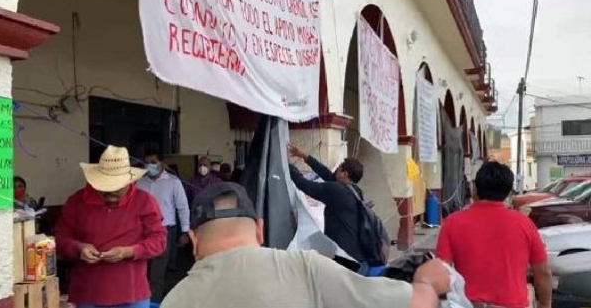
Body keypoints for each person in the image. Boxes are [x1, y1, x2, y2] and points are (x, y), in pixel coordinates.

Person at [161, 182, 450, 308]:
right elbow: (415, 304)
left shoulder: (175, 300)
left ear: (194, 239)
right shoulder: (302, 268)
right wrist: (426, 280)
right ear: (260, 229)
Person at [54, 145, 166, 308]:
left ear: (129, 181)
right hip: (87, 292)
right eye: (105, 186)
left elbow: (159, 241)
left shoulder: (145, 201)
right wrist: (79, 247)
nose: (111, 191)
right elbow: (59, 239)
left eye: (117, 186)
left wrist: (129, 251)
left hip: (132, 292)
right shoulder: (77, 201)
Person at [436, 161, 552, 308]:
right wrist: (545, 305)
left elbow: (441, 272)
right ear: (508, 192)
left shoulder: (452, 223)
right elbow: (543, 273)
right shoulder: (524, 224)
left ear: (475, 189)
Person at [287, 144, 387, 271]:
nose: (335, 172)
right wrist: (305, 157)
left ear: (344, 174)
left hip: (344, 259)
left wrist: (287, 164)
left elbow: (304, 185)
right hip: (357, 258)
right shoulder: (355, 191)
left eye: (338, 169)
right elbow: (328, 174)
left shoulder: (337, 191)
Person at [136, 151, 190, 305]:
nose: (149, 166)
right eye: (146, 162)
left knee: (157, 272)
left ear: (161, 163)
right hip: (142, 231)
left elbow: (183, 207)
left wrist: (185, 231)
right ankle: (141, 299)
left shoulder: (173, 182)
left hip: (165, 230)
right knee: (142, 269)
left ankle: (154, 302)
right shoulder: (140, 183)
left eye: (153, 162)